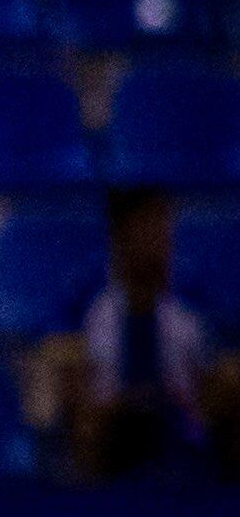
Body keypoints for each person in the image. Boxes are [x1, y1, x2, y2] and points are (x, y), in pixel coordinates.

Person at [61, 188, 234, 481]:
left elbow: (211, 377)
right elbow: (68, 367)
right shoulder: (87, 302)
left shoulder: (191, 305)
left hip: (180, 420)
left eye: (163, 227)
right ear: (121, 237)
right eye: (147, 227)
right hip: (111, 427)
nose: (160, 240)